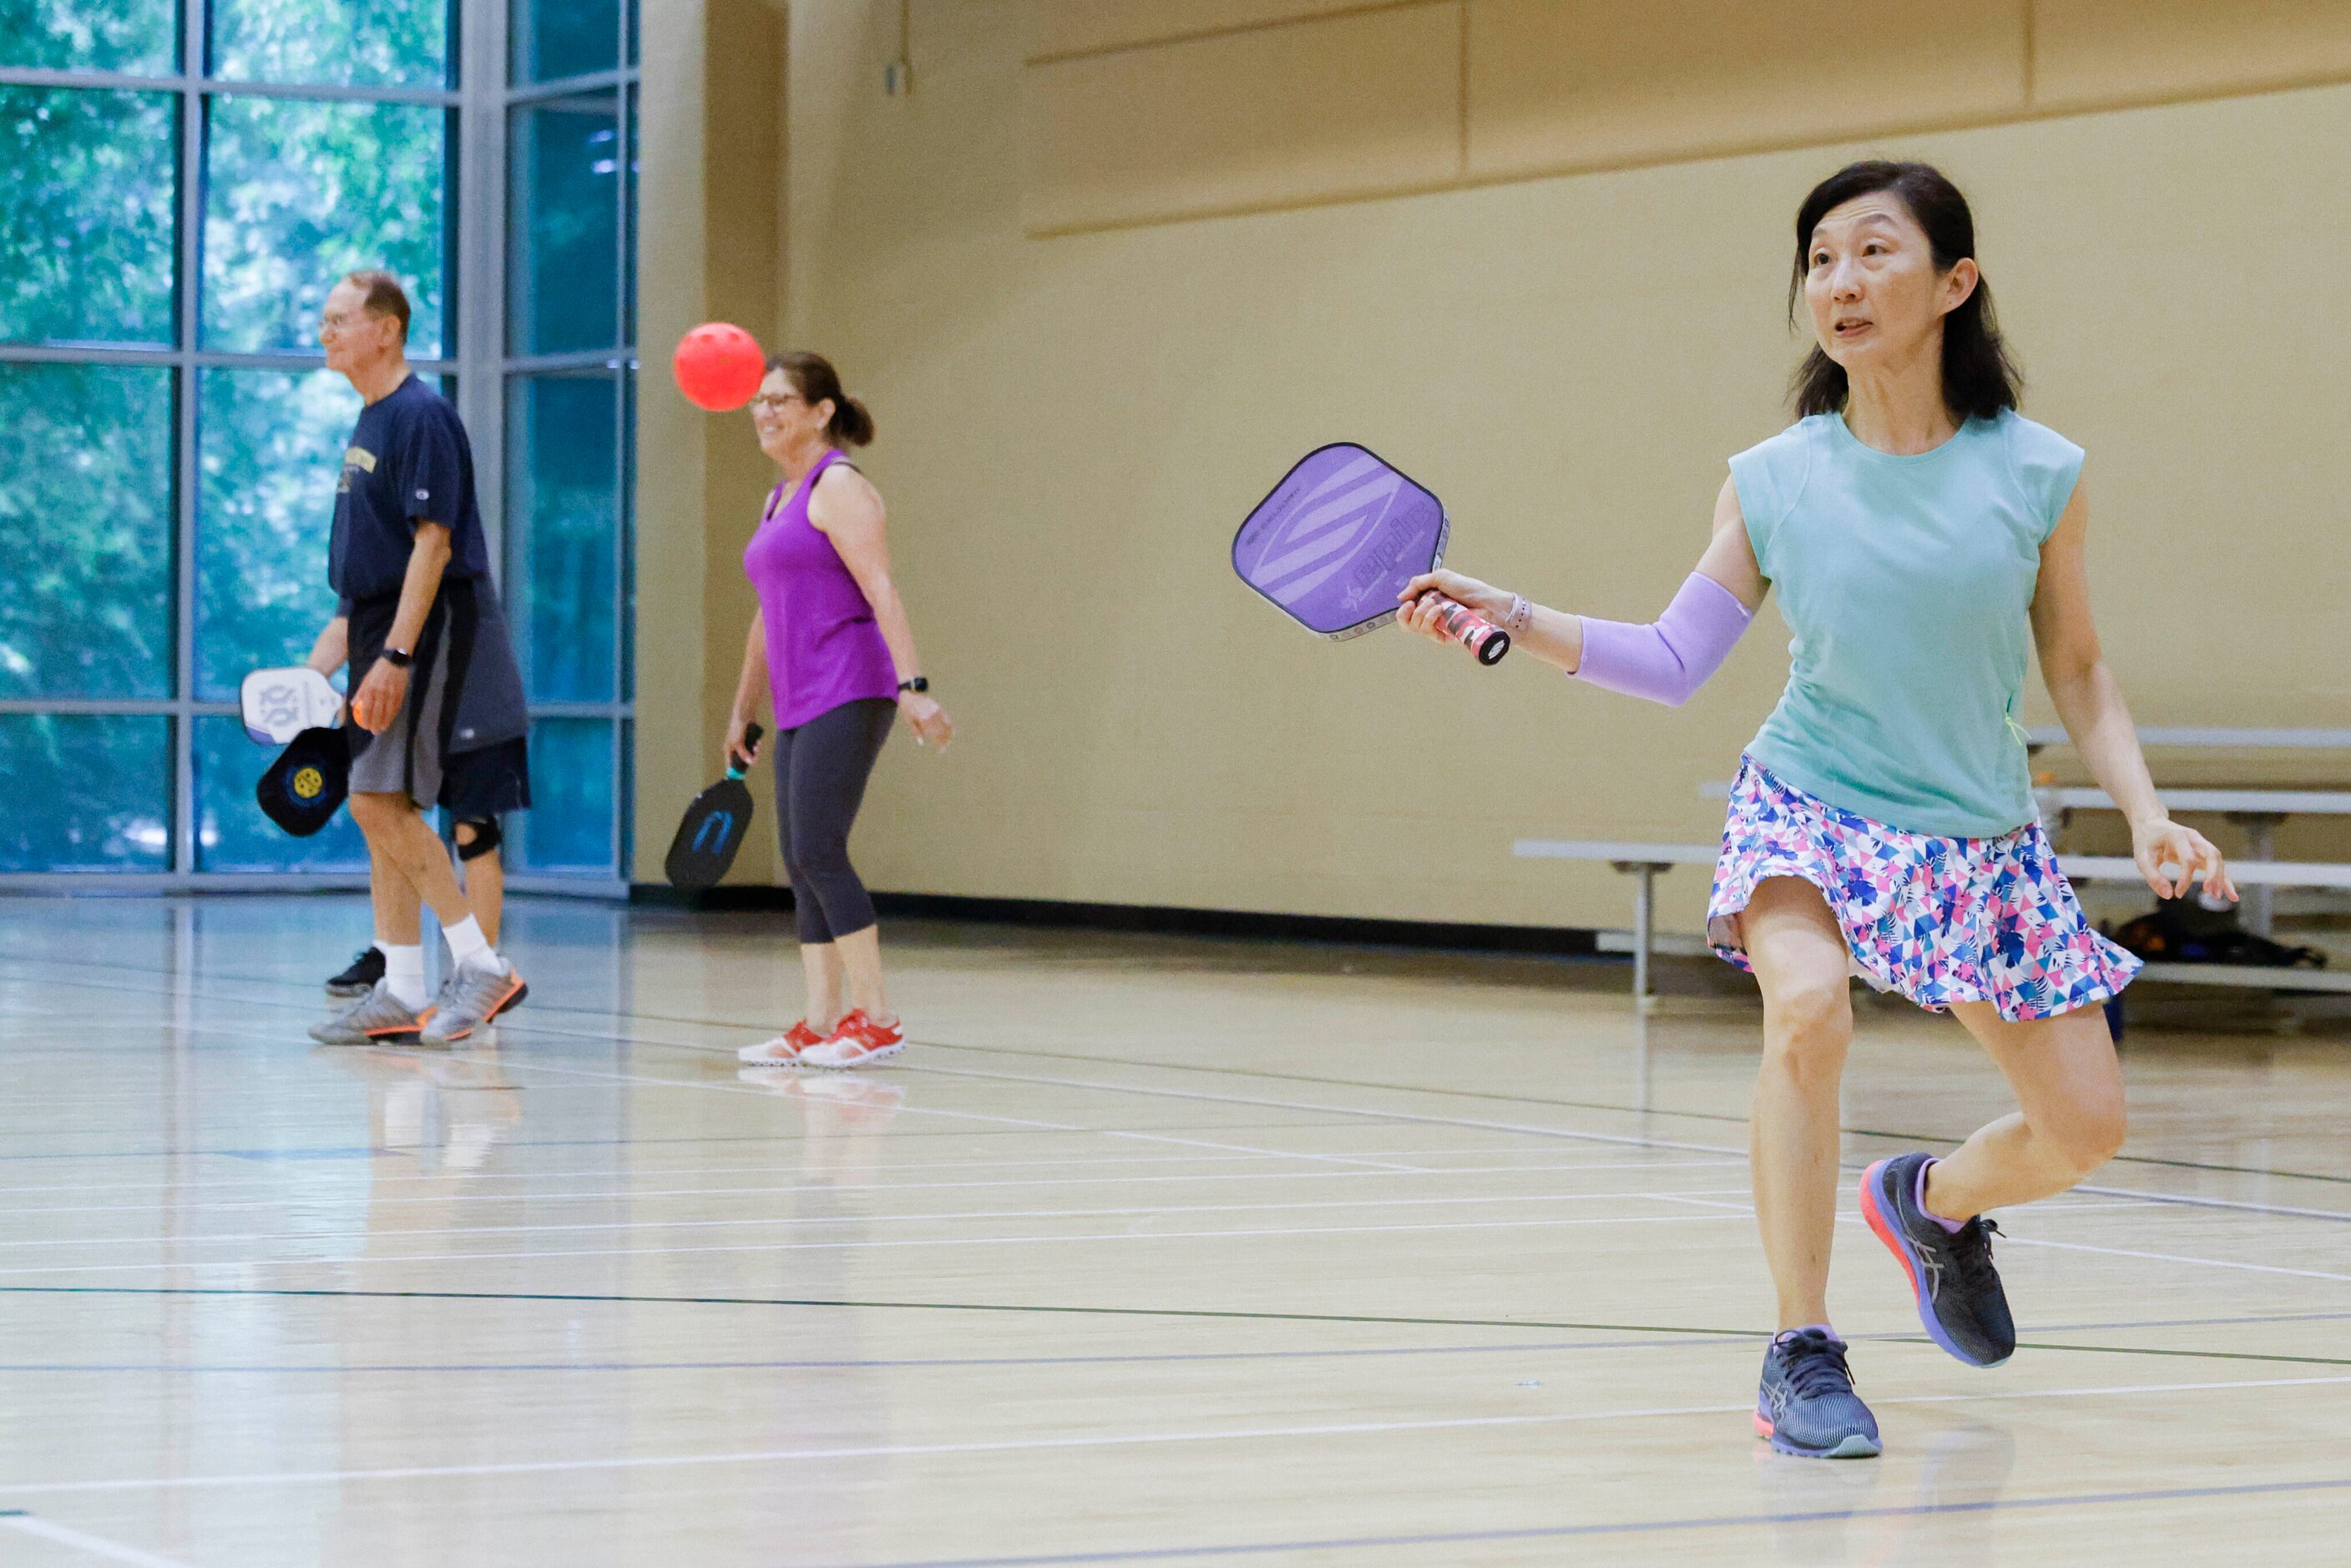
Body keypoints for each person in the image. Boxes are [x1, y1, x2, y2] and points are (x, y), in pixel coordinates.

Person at [1396, 161, 2233, 1459]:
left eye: (1874, 253)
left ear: (1955, 283)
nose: (1840, 282)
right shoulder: (1776, 477)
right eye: (1821, 258)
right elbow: (1675, 659)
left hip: (1978, 836)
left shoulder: (2039, 471)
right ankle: (1802, 1343)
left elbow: (2076, 664)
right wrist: (1512, 613)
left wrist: (2147, 812)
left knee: (2086, 1127)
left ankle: (1933, 1204)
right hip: (1814, 804)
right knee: (1807, 1008)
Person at [304, 270, 533, 1048]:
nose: (325, 332)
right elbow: (359, 584)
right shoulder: (369, 422)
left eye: (339, 320)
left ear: (387, 329)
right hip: (378, 629)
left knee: (377, 802)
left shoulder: (422, 416)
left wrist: (397, 656)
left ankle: (480, 964)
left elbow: (433, 545)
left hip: (428, 632)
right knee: (377, 807)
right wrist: (311, 677)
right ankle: (402, 987)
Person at [727, 352, 953, 1070]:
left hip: (850, 686)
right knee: (799, 857)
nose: (765, 413)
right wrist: (742, 710)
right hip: (796, 695)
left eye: (781, 401)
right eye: (758, 402)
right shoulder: (779, 499)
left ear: (821, 411)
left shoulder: (840, 487)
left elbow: (883, 589)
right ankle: (820, 1022)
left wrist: (914, 688)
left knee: (820, 847)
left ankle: (877, 1018)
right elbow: (765, 618)